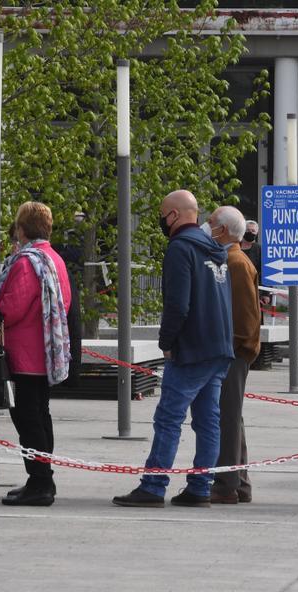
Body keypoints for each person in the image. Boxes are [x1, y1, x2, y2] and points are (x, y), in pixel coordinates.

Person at [113, 190, 233, 507]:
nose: (162, 220)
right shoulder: (217, 252)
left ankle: (153, 485)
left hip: (192, 348)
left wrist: (166, 342)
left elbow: (177, 305)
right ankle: (200, 486)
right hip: (219, 347)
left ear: (174, 215)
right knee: (208, 421)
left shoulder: (181, 248)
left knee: (169, 418)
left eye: (163, 214)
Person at [0, 202, 72, 507]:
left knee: (27, 419)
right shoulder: (55, 259)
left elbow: (12, 308)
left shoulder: (26, 262)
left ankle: (39, 483)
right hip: (46, 353)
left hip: (24, 353)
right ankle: (42, 478)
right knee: (40, 416)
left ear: (21, 229)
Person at [206, 206, 260, 504]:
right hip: (232, 351)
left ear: (223, 230)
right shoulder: (232, 260)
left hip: (232, 353)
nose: (207, 226)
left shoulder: (235, 262)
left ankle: (226, 482)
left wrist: (235, 350)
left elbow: (246, 317)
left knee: (225, 417)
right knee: (231, 417)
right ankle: (238, 481)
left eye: (212, 222)